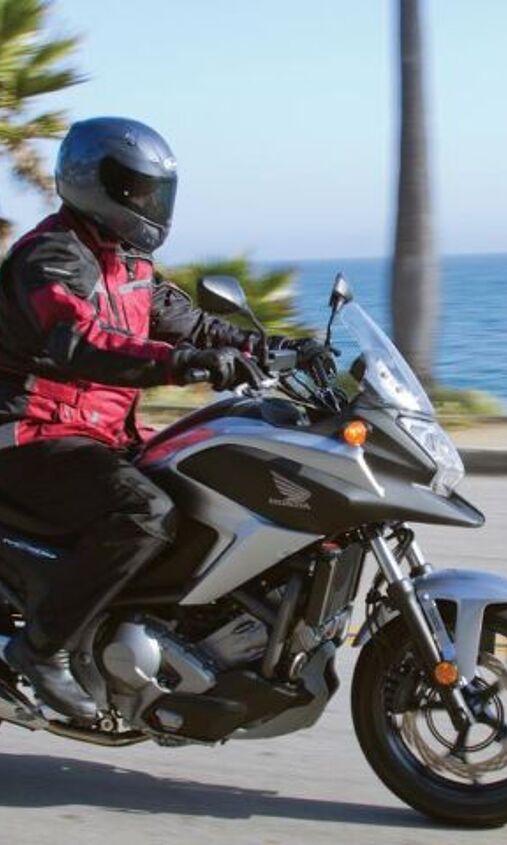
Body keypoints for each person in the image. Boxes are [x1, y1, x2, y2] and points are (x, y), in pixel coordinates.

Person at [0, 116, 331, 721]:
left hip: (100, 436)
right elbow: (80, 341)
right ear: (96, 184)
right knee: (143, 512)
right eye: (137, 189)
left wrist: (277, 348)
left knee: (204, 484)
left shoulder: (128, 264)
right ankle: (41, 649)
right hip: (30, 435)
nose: (150, 204)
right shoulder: (50, 257)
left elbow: (195, 325)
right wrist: (185, 365)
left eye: (156, 192)